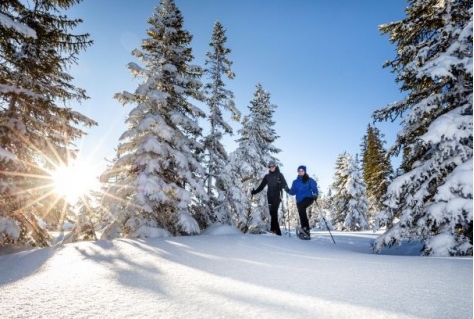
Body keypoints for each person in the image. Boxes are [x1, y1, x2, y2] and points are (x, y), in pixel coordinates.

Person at [251, 160, 289, 235]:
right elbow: (262, 186)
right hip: (270, 196)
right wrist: (255, 191)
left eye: (273, 166)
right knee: (272, 213)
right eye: (270, 166)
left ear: (275, 166)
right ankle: (276, 231)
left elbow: (285, 185)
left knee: (274, 212)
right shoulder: (267, 176)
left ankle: (275, 231)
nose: (271, 167)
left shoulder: (279, 175)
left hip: (277, 195)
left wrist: (282, 186)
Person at [287, 165, 318, 239]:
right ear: (298, 172)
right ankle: (305, 230)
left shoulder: (309, 180)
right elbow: (292, 192)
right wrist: (287, 189)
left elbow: (314, 187)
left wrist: (315, 194)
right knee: (301, 213)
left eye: (302, 171)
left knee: (302, 208)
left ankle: (305, 228)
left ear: (305, 171)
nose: (301, 172)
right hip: (299, 201)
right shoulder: (295, 182)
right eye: (299, 171)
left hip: (308, 198)